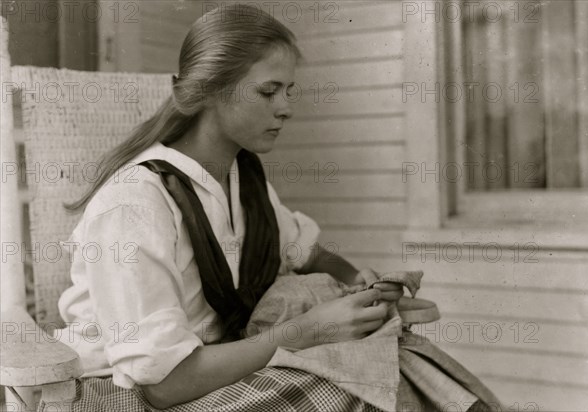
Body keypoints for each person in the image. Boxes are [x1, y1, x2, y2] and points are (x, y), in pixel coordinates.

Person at [55, 4, 500, 411]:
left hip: (218, 369)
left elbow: (303, 253)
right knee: (356, 392)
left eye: (289, 90)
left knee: (391, 362)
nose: (286, 108)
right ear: (212, 90)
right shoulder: (134, 204)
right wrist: (308, 330)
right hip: (126, 394)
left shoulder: (243, 178)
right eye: (269, 92)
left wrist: (357, 282)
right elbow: (163, 384)